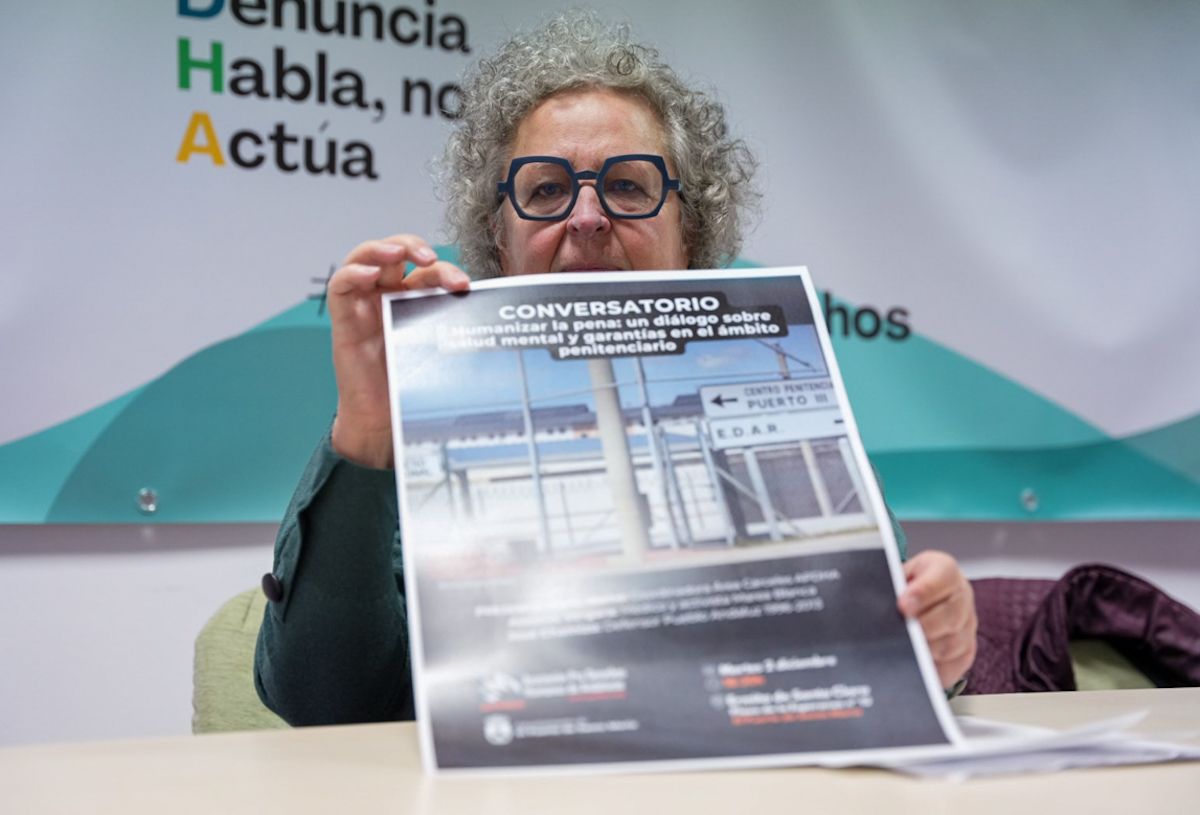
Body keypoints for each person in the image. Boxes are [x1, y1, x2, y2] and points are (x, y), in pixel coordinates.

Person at [254, 11, 977, 726]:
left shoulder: (794, 403)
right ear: (500, 244)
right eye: (544, 190)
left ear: (690, 235)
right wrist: (370, 435)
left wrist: (935, 647)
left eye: (630, 186)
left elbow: (882, 671)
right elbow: (324, 703)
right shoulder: (407, 442)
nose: (589, 216)